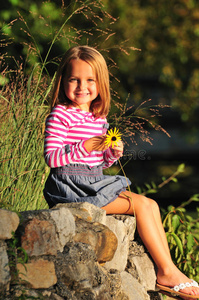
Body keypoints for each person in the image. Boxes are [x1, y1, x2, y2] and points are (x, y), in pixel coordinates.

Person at [43, 45, 199, 300]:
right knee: (141, 205)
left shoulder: (98, 118)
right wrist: (84, 145)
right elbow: (52, 158)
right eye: (74, 80)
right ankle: (167, 273)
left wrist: (112, 152)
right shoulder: (60, 116)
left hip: (92, 180)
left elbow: (99, 162)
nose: (82, 87)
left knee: (151, 204)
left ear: (100, 83)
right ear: (63, 82)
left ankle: (169, 269)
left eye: (90, 80)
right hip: (70, 186)